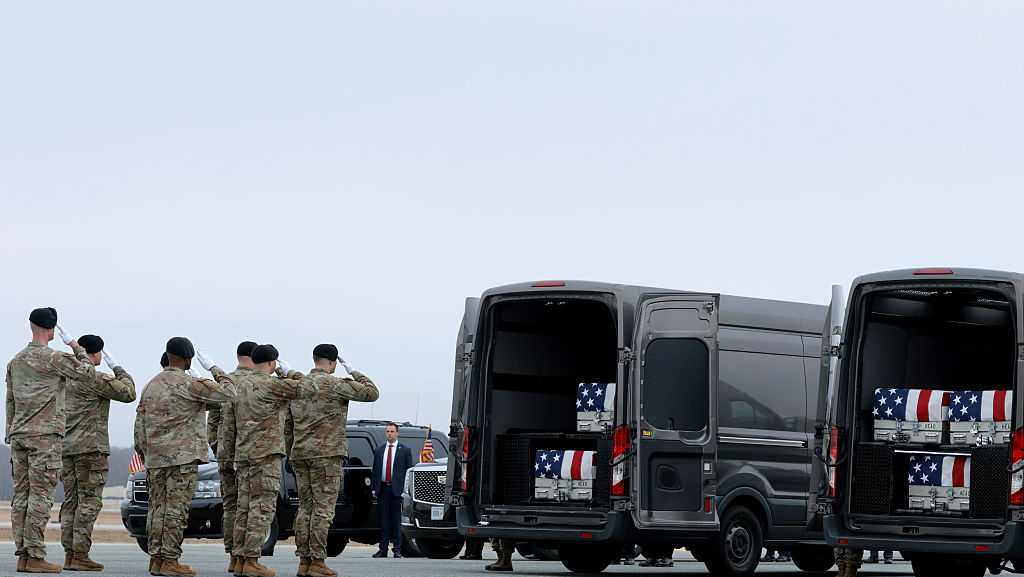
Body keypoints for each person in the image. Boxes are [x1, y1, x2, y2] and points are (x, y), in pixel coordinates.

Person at [134, 337, 237, 577]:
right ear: (188, 359)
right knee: (175, 510)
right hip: (181, 460)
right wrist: (214, 369)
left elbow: (139, 424)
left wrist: (144, 452)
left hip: (156, 459)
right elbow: (230, 394)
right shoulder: (190, 384)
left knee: (157, 509)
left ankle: (157, 558)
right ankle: (170, 560)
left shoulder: (152, 385)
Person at [6, 308, 96, 573]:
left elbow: (10, 400)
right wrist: (76, 346)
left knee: (21, 495)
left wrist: (10, 431)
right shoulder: (54, 358)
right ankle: (34, 555)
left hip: (19, 434)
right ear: (52, 329)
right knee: (41, 497)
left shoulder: (16, 360)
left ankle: (23, 554)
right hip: (44, 437)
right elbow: (87, 373)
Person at [286, 344, 379, 577]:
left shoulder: (297, 386)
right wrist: (354, 370)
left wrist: (291, 451)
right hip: (326, 456)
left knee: (305, 509)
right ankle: (317, 561)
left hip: (300, 455)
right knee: (322, 510)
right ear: (333, 362)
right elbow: (372, 392)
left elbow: (288, 425)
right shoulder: (337, 385)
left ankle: (304, 561)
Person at [232, 344, 315, 577]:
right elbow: (309, 387)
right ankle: (251, 560)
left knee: (244, 507)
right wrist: (288, 373)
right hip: (265, 454)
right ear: (272, 363)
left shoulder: (241, 385)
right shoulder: (272, 385)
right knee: (262, 508)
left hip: (244, 454)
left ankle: (239, 559)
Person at [60, 334, 136, 571]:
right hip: (90, 449)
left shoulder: (64, 377)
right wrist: (117, 367)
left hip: (66, 449)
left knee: (71, 502)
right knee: (89, 503)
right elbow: (129, 392)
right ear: (96, 354)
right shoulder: (94, 377)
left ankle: (70, 554)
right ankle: (80, 554)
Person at [206, 340, 257, 574]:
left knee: (230, 506)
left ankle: (232, 556)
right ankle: (244, 556)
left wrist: (218, 447)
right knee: (248, 506)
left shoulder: (225, 382)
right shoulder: (256, 382)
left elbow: (213, 421)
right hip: (248, 454)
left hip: (225, 453)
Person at [371, 423, 413, 558]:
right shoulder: (379, 450)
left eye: (392, 431)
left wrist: (405, 490)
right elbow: (375, 471)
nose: (389, 433)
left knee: (396, 521)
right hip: (383, 489)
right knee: (383, 521)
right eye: (388, 431)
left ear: (397, 433)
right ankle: (382, 550)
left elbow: (408, 471)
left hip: (397, 491)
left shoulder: (405, 450)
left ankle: (397, 549)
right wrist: (374, 488)